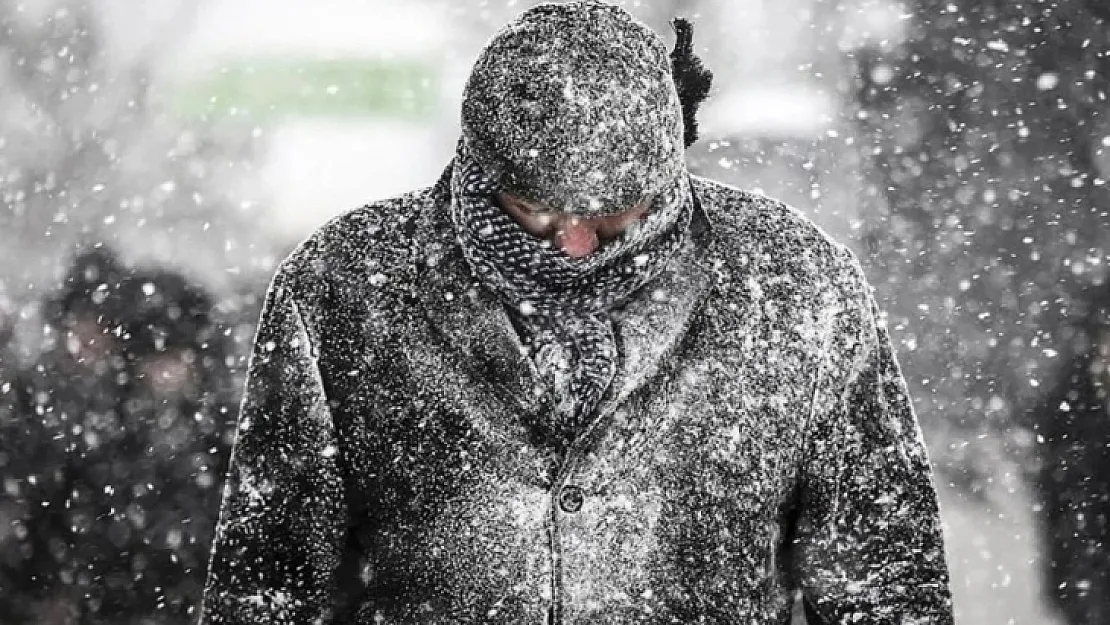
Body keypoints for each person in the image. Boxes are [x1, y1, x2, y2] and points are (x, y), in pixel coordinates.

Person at [200, 2, 954, 623]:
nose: (576, 243)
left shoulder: (798, 288)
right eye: (534, 209)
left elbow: (883, 579)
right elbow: (268, 580)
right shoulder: (343, 288)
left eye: (616, 215)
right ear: (479, 169)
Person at [0, 249, 237, 624]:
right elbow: (55, 532)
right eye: (151, 355)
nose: (164, 372)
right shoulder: (100, 438)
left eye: (175, 354)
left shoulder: (226, 442)